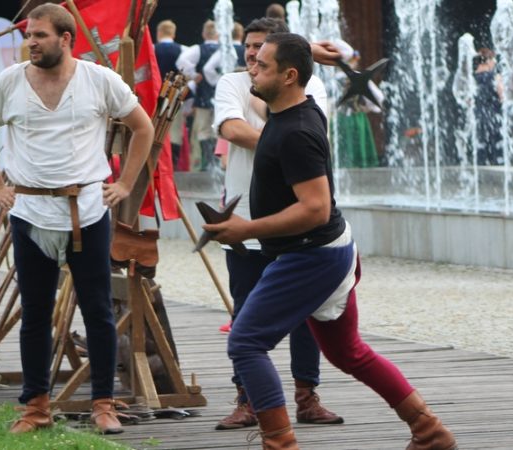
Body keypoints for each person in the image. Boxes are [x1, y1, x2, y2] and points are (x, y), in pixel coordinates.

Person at [203, 32, 456, 449]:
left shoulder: (297, 131)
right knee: (348, 352)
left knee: (246, 342)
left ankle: (280, 444)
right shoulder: (292, 110)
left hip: (312, 257)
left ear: (288, 76)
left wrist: (245, 229)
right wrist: (310, 50)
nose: (253, 69)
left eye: (262, 66)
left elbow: (316, 209)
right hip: (326, 252)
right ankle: (430, 432)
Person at [0, 4, 155, 435]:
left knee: (97, 310)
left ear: (66, 38)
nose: (31, 42)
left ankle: (103, 404)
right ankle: (36, 407)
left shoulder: (99, 79)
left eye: (40, 35)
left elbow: (142, 127)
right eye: (29, 35)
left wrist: (125, 184)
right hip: (31, 211)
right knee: (36, 312)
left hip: (86, 211)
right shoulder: (10, 81)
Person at [210, 17, 343, 432]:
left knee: (308, 316)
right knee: (245, 311)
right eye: (249, 46)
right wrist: (278, 135)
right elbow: (231, 129)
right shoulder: (232, 83)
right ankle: (247, 400)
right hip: (244, 221)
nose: (253, 54)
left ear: (285, 63)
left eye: (262, 49)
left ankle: (307, 395)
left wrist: (276, 134)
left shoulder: (309, 86)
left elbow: (306, 128)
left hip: (297, 229)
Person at [177, 20, 221, 171]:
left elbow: (181, 62)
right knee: (218, 127)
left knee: (203, 129)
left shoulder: (197, 49)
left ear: (204, 34)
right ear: (218, 34)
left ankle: (207, 162)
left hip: (203, 93)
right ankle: (215, 162)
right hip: (221, 95)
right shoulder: (224, 50)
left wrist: (194, 75)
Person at [155, 19, 186, 169]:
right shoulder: (184, 50)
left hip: (155, 95)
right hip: (175, 96)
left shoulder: (152, 49)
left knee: (154, 128)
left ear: (159, 33)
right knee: (174, 131)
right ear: (173, 33)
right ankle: (173, 165)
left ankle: (156, 162)